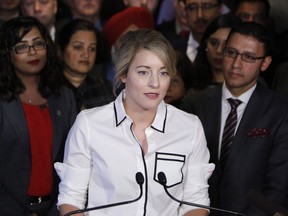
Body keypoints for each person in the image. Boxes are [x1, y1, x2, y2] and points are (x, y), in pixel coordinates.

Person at [55, 29, 215, 216]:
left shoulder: (189, 127)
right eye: (143, 72)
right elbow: (71, 199)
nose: (155, 83)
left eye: (163, 73)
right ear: (123, 74)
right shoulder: (89, 125)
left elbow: (195, 201)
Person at [181, 22, 288, 215]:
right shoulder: (195, 103)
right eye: (231, 53)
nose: (236, 64)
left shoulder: (280, 111)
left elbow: (278, 184)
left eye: (248, 57)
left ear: (265, 63)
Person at [0, 16, 77, 215]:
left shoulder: (64, 96)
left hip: (55, 207)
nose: (32, 52)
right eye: (22, 46)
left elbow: (73, 159)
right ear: (7, 54)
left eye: (38, 43)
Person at [58, 19, 115, 112]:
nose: (86, 55)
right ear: (61, 51)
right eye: (78, 47)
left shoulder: (105, 88)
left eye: (92, 49)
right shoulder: (50, 90)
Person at [102, 6, 155, 85]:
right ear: (113, 47)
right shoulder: (100, 76)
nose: (130, 46)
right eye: (124, 40)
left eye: (136, 39)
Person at [190, 14, 241, 92]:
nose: (219, 51)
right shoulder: (190, 82)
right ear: (206, 43)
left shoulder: (247, 87)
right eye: (213, 43)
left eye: (226, 45)